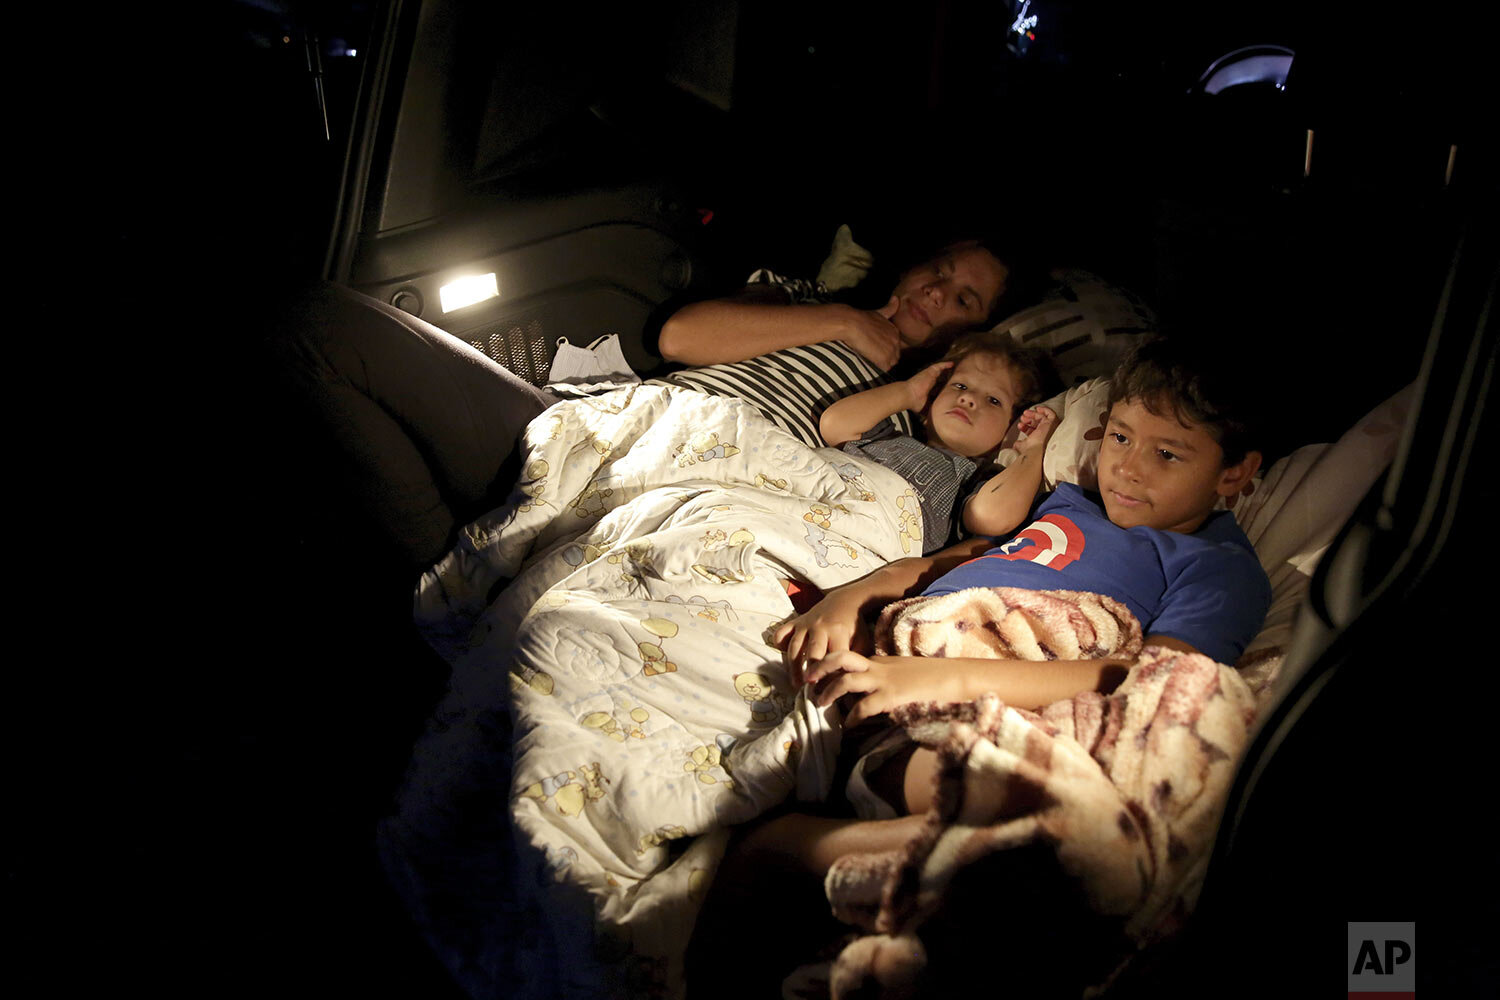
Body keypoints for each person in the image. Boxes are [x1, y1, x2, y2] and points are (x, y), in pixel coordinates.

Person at [694, 337, 1270, 949]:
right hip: (908, 680)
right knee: (1030, 820)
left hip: (983, 699)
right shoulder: (1073, 502)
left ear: (1234, 473)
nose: (1127, 467)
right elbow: (957, 560)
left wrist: (949, 677)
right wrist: (850, 596)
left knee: (1039, 815)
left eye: (1167, 455)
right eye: (1121, 438)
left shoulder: (1217, 567)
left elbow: (1157, 684)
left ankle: (793, 850)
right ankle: (798, 851)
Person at [268, 235, 1021, 569]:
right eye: (938, 269)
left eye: (963, 297)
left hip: (670, 496)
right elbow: (684, 335)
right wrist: (841, 320)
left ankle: (453, 578)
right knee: (317, 326)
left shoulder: (919, 422)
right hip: (588, 425)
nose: (935, 292)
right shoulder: (802, 298)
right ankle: (455, 575)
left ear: (975, 332)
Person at [817, 329, 1056, 552]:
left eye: (993, 400)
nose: (968, 398)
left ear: (1012, 428)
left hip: (850, 546)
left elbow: (990, 515)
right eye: (960, 385)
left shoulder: (975, 480)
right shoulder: (889, 437)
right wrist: (908, 393)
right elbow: (834, 424)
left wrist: (1033, 450)